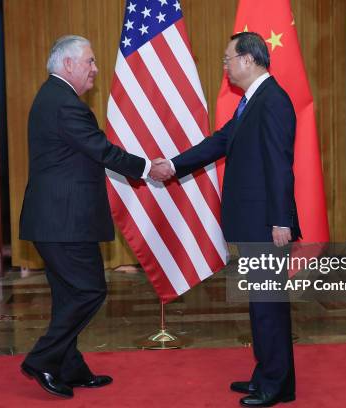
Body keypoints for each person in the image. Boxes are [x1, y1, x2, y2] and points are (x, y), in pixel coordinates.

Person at [18, 35, 172, 398]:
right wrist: (149, 167)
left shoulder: (54, 98)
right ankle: (41, 359)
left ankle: (69, 367)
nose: (95, 69)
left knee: (69, 295)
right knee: (89, 291)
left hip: (57, 221)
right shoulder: (63, 104)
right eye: (90, 61)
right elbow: (101, 150)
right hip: (64, 222)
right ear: (68, 64)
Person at [153, 32, 301, 407]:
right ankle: (267, 375)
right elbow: (218, 143)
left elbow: (281, 166)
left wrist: (282, 220)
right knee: (261, 302)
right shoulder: (253, 102)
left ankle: (276, 384)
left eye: (228, 58)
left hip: (267, 224)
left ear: (248, 60)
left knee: (269, 304)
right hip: (254, 222)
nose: (225, 66)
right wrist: (173, 165)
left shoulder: (273, 101)